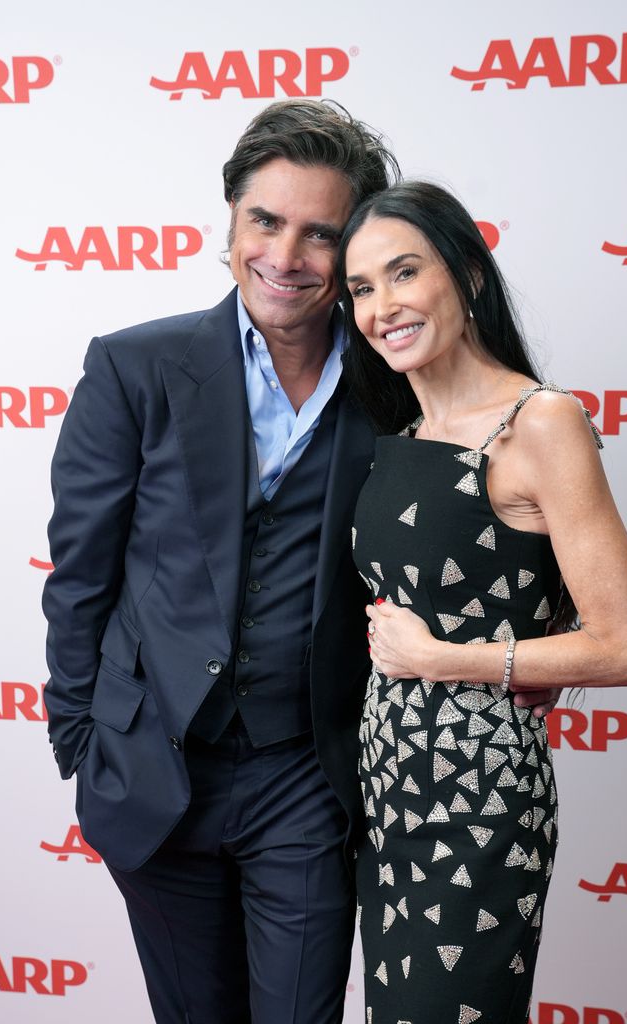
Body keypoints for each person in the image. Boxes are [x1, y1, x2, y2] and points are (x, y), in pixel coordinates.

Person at [42, 102, 560, 1024]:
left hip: (307, 782)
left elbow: (487, 510)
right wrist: (83, 744)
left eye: (320, 234)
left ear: (350, 253)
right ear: (229, 225)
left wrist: (534, 643)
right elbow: (79, 577)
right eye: (265, 222)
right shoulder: (134, 369)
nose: (286, 255)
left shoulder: (399, 390)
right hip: (152, 773)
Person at [337, 181, 627, 1023]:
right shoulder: (399, 437)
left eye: (404, 273)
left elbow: (625, 647)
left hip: (479, 803)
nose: (381, 307)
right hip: (387, 789)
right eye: (362, 288)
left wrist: (447, 661)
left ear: (469, 276)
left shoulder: (537, 421)